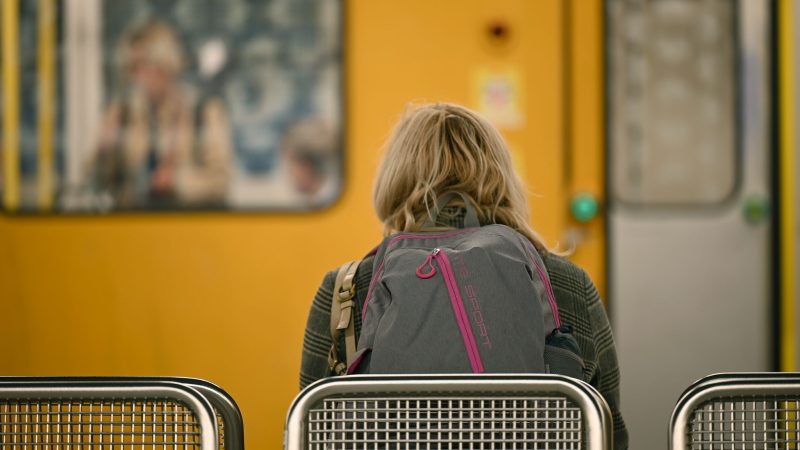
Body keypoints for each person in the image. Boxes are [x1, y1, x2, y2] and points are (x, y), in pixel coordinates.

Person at [299, 102, 628, 448]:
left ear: (394, 180)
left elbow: (312, 427)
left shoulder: (347, 287)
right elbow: (608, 428)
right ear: (502, 176)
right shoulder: (566, 282)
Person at [92, 19, 232, 210]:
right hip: (133, 226)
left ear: (166, 63)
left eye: (145, 65)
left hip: (191, 226)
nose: (139, 76)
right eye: (133, 67)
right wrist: (104, 153)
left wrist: (177, 181)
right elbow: (98, 186)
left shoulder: (204, 111)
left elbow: (220, 182)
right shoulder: (121, 113)